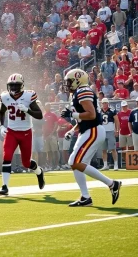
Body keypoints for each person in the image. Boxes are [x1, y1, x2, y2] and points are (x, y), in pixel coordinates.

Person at [61, 68, 121, 207]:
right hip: (86, 130)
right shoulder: (77, 93)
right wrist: (72, 130)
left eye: (69, 81)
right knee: (76, 164)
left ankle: (112, 184)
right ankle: (85, 197)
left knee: (75, 161)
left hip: (93, 130)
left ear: (77, 80)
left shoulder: (83, 91)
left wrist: (72, 115)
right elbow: (82, 119)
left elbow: (91, 115)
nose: (67, 85)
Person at [0, 73, 45, 195]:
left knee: (26, 163)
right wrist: (2, 126)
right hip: (11, 132)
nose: (13, 88)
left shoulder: (29, 96)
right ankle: (5, 186)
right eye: (11, 85)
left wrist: (28, 110)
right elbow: (1, 112)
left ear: (22, 85)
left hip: (26, 132)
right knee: (7, 157)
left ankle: (39, 172)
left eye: (15, 85)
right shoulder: (5, 97)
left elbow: (40, 115)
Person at [100, 98, 119, 171]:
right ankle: (105, 165)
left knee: (113, 149)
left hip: (110, 131)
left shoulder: (112, 111)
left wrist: (117, 130)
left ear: (108, 103)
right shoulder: (99, 111)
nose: (104, 104)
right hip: (102, 132)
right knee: (103, 149)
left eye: (105, 103)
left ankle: (116, 164)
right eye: (103, 103)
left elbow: (117, 121)